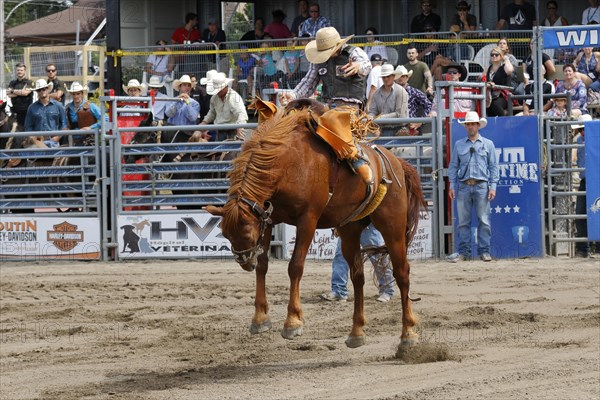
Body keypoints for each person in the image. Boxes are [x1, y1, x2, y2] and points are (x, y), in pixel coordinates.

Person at [447, 111, 499, 263]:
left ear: (478, 125)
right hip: (463, 185)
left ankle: (484, 251)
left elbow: (493, 167)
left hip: (482, 185)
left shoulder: (488, 144)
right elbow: (453, 166)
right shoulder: (459, 144)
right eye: (468, 124)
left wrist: (493, 186)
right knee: (463, 221)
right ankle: (465, 252)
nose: (470, 126)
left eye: (473, 124)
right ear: (466, 126)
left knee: (483, 220)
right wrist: (452, 185)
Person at [280, 27, 371, 109]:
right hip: (327, 104)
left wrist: (358, 66)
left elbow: (367, 65)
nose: (325, 55)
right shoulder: (317, 59)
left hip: (350, 105)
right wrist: (293, 95)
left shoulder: (353, 52)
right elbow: (309, 82)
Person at [320, 224, 395, 303]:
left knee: (378, 257)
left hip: (366, 223)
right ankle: (339, 291)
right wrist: (337, 225)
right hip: (347, 224)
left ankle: (387, 291)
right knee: (341, 257)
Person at [573, 114, 600, 257]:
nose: (582, 131)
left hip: (597, 178)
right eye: (581, 129)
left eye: (584, 128)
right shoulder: (579, 140)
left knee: (596, 211)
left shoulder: (596, 138)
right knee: (580, 213)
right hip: (585, 180)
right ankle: (583, 248)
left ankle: (595, 247)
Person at [198, 72, 248, 141]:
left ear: (225, 86)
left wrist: (240, 126)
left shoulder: (234, 97)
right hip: (219, 130)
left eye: (219, 90)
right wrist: (205, 122)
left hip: (232, 130)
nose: (218, 92)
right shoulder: (214, 98)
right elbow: (212, 112)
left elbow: (241, 113)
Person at [24, 79, 67, 148]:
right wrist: (33, 139)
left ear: (47, 89)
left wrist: (57, 137)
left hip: (53, 141)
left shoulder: (59, 105)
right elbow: (28, 126)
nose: (42, 91)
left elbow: (64, 124)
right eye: (39, 90)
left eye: (43, 89)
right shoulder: (31, 108)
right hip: (37, 141)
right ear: (37, 92)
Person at [368, 64, 408, 136]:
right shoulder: (376, 93)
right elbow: (372, 111)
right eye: (384, 77)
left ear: (393, 77)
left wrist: (379, 118)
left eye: (388, 76)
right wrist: (371, 116)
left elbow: (400, 114)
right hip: (381, 129)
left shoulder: (400, 91)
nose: (386, 79)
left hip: (398, 128)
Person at [484, 46, 514, 117]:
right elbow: (483, 78)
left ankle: (504, 121)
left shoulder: (504, 67)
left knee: (495, 104)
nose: (494, 56)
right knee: (488, 106)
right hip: (491, 96)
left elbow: (510, 70)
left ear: (501, 56)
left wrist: (506, 58)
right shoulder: (488, 68)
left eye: (496, 54)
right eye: (492, 55)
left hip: (503, 96)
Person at [7, 63, 33, 127]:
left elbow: (26, 93)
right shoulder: (12, 82)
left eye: (21, 70)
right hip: (16, 112)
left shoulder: (29, 82)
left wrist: (13, 91)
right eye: (18, 70)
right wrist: (21, 92)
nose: (19, 72)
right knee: (17, 131)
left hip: (27, 111)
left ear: (24, 71)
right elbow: (8, 94)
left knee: (27, 130)